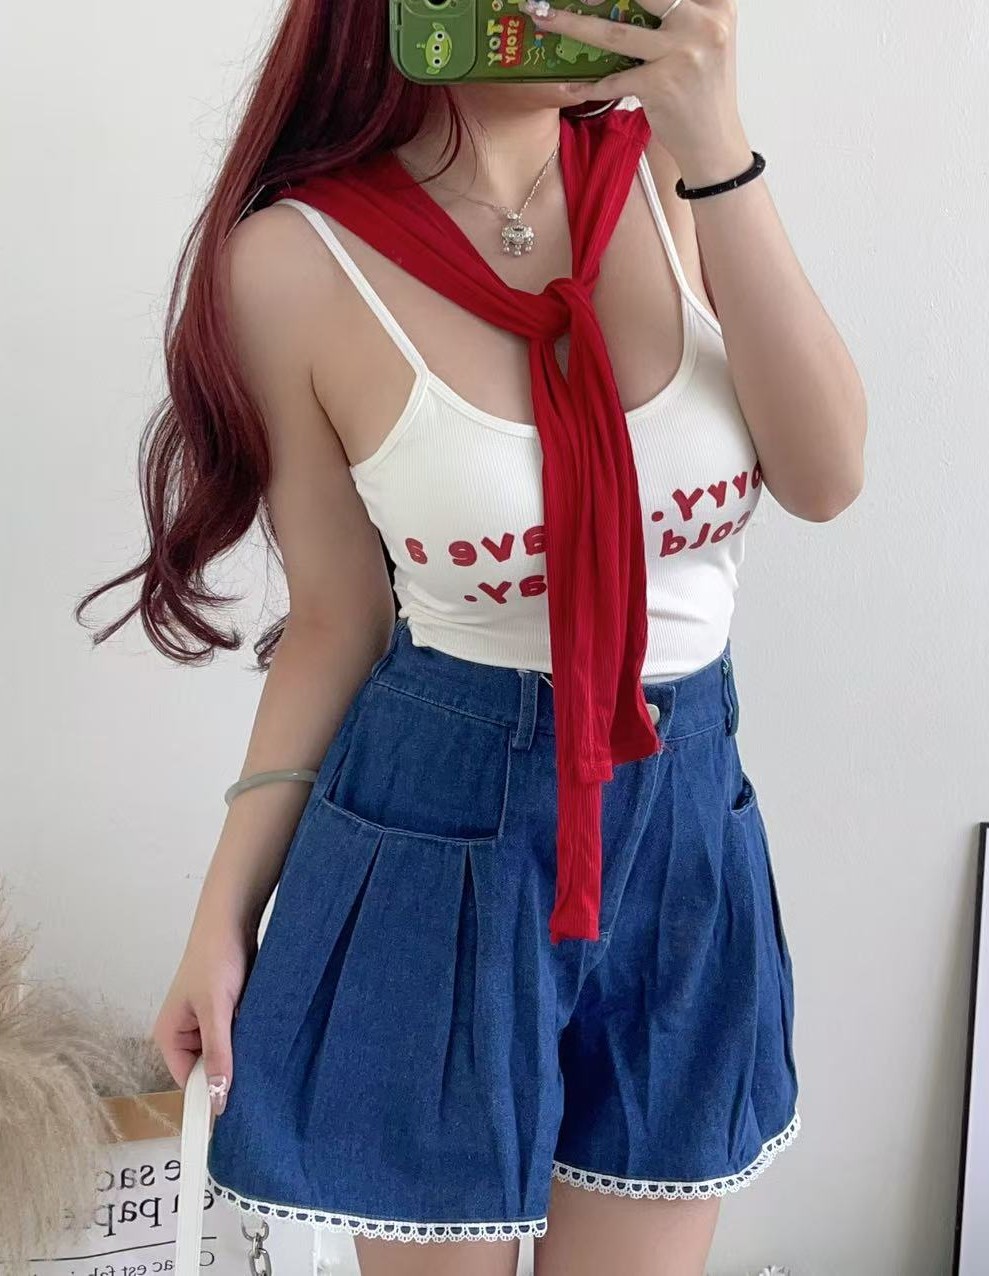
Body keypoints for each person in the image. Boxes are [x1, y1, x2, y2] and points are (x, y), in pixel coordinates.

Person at [77, 0, 867, 1271]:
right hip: (438, 831)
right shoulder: (293, 264)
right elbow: (337, 619)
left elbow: (825, 477)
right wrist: (222, 915)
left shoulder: (673, 180)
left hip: (683, 826)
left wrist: (716, 140)